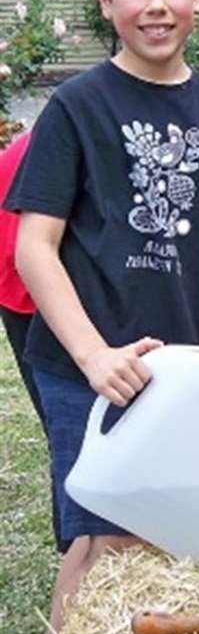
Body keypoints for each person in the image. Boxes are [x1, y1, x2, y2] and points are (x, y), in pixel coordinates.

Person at [4, 0, 199, 634]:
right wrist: (94, 356)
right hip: (82, 364)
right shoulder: (75, 108)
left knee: (152, 523)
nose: (155, 6)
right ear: (105, 1)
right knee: (98, 532)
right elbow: (36, 246)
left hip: (178, 364)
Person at [0, 131, 66, 552]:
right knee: (64, 423)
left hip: (35, 275)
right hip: (26, 287)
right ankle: (72, 542)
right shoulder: (63, 139)